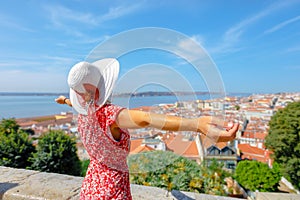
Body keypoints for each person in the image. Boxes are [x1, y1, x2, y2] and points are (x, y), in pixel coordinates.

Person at [55, 58, 239, 200]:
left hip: (92, 185)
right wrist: (197, 125)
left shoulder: (85, 112)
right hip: (112, 187)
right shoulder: (109, 115)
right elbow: (146, 119)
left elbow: (76, 104)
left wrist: (65, 101)